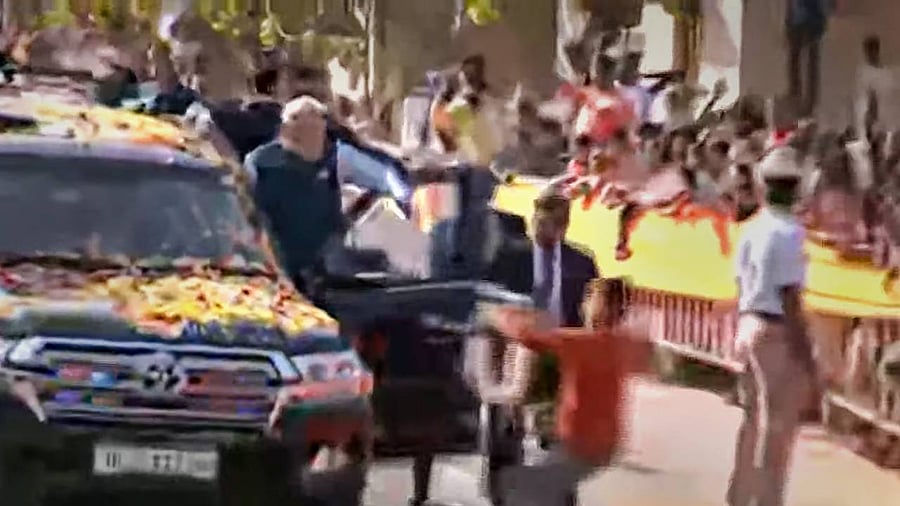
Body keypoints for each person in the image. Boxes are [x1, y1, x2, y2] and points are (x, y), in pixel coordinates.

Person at [484, 277, 650, 506]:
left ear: (604, 306)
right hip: (604, 443)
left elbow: (528, 336)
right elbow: (648, 359)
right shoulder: (623, 343)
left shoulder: (582, 343)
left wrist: (497, 313)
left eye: (592, 300)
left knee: (511, 488)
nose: (586, 306)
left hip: (579, 444)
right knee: (557, 489)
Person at [724, 146, 819, 506]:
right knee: (776, 427)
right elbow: (789, 296)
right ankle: (767, 500)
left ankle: (738, 494)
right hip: (775, 328)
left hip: (748, 323)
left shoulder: (752, 227)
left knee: (751, 420)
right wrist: (807, 355)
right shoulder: (790, 232)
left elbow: (739, 281)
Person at [243, 96, 343, 294]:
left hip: (317, 277)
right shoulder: (263, 164)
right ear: (288, 129)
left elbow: (334, 216)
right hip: (273, 277)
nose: (318, 139)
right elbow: (252, 220)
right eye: (309, 131)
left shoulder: (327, 164)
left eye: (319, 131)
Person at [785, 0, 833, 115]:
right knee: (804, 63)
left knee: (805, 63)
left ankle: (803, 100)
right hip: (804, 22)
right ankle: (800, 98)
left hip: (808, 22)